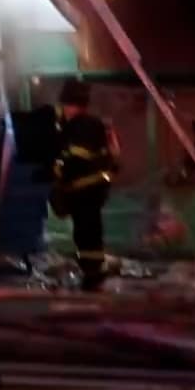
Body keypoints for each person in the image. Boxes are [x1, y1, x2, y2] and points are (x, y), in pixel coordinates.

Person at [50, 80, 119, 291]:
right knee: (88, 232)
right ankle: (93, 271)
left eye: (64, 105)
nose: (63, 110)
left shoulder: (80, 126)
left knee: (86, 233)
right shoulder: (89, 124)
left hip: (85, 189)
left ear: (70, 104)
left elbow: (75, 157)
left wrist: (56, 172)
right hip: (91, 189)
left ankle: (93, 274)